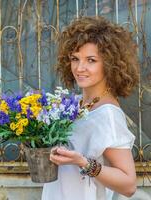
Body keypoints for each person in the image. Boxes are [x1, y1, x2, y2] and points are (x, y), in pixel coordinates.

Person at [41, 16, 139, 200]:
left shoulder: (107, 115)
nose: (80, 68)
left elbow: (129, 185)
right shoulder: (73, 105)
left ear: (110, 64)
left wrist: (83, 163)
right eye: (75, 59)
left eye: (91, 60)